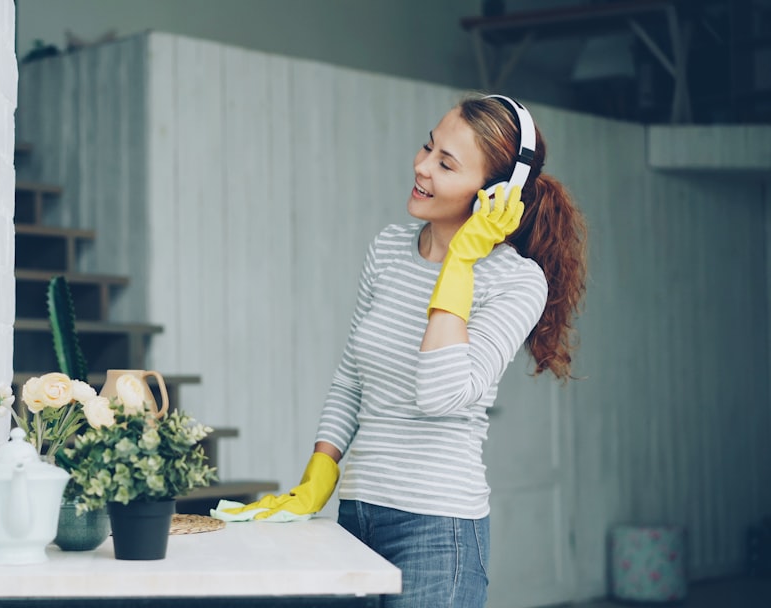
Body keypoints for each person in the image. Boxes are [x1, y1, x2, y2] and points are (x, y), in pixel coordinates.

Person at [219, 93, 588, 607]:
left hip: (439, 532)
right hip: (356, 515)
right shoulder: (389, 248)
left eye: (446, 163)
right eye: (427, 146)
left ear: (495, 193)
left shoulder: (516, 282)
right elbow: (351, 377)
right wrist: (319, 472)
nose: (421, 166)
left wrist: (459, 262)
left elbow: (440, 393)